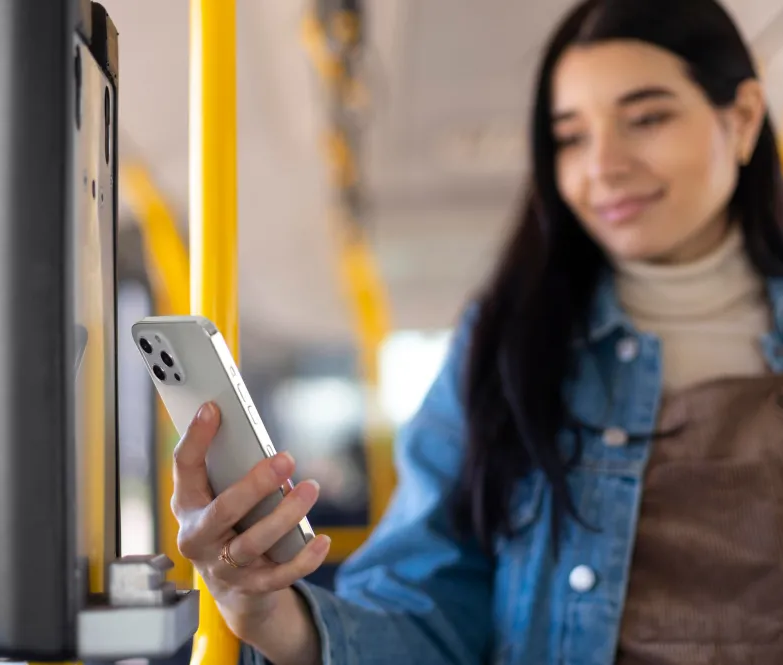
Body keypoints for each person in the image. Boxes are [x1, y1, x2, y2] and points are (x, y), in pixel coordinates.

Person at [170, 0, 783, 662]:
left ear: (743, 118)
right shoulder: (505, 348)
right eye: (570, 137)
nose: (603, 165)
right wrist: (271, 614)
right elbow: (425, 616)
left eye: (645, 119)